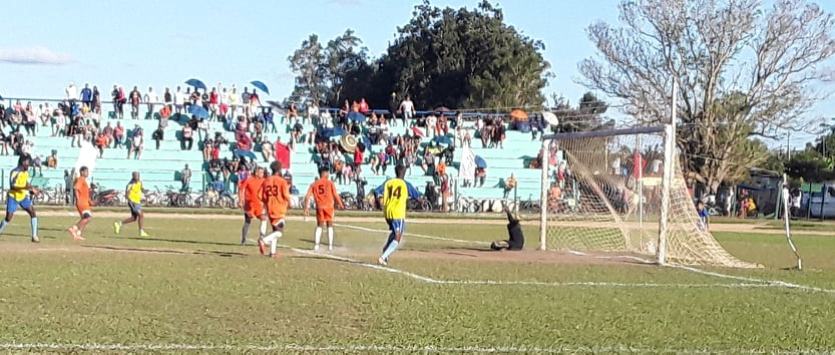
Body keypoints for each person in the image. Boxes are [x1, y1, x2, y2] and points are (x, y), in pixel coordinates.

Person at [378, 164, 419, 266]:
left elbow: (377, 191)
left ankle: (385, 249)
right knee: (398, 236)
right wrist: (412, 201)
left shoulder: (389, 182)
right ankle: (383, 257)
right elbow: (417, 195)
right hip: (398, 213)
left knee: (394, 232)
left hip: (388, 212)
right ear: (403, 173)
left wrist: (379, 203)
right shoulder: (405, 184)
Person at [0, 155, 40, 242]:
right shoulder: (14, 172)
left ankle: (34, 236)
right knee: (8, 218)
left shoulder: (25, 172)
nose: (29, 164)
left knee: (32, 212)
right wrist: (26, 188)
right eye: (28, 162)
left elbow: (25, 182)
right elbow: (13, 186)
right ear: (23, 162)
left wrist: (33, 188)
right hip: (13, 197)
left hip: (22, 197)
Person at [304, 167, 344, 252]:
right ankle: (330, 246)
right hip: (329, 206)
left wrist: (306, 208)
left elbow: (307, 196)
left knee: (319, 225)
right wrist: (341, 204)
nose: (328, 174)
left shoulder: (314, 184)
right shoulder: (330, 183)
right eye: (327, 172)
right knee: (330, 225)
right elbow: (335, 194)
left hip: (319, 207)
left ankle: (316, 245)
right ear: (323, 173)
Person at [258, 161, 291, 258]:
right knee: (279, 232)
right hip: (279, 208)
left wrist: (267, 202)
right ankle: (263, 240)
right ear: (279, 169)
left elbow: (260, 195)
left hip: (270, 208)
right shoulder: (282, 181)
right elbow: (286, 195)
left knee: (275, 230)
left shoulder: (266, 181)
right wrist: (290, 202)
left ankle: (273, 252)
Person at [113, 171, 150, 237]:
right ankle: (141, 231)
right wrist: (131, 202)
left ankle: (119, 224)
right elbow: (126, 195)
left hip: (137, 201)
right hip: (133, 202)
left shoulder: (140, 182)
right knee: (141, 215)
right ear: (133, 176)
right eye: (136, 176)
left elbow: (142, 189)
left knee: (134, 218)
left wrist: (145, 191)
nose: (137, 177)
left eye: (138, 176)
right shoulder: (130, 184)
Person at [238, 166, 267, 245]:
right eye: (261, 172)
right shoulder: (249, 180)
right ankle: (243, 239)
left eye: (263, 172)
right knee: (248, 221)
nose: (262, 174)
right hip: (249, 205)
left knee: (263, 219)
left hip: (259, 205)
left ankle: (261, 238)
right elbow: (241, 189)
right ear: (256, 173)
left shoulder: (264, 181)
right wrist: (241, 200)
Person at [67, 166, 92, 241]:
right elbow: (76, 188)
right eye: (86, 171)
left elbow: (84, 193)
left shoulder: (83, 180)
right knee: (87, 218)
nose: (87, 173)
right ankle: (73, 228)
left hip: (85, 202)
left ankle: (78, 234)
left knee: (85, 219)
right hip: (82, 202)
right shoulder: (80, 179)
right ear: (82, 172)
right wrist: (78, 199)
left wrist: (90, 201)